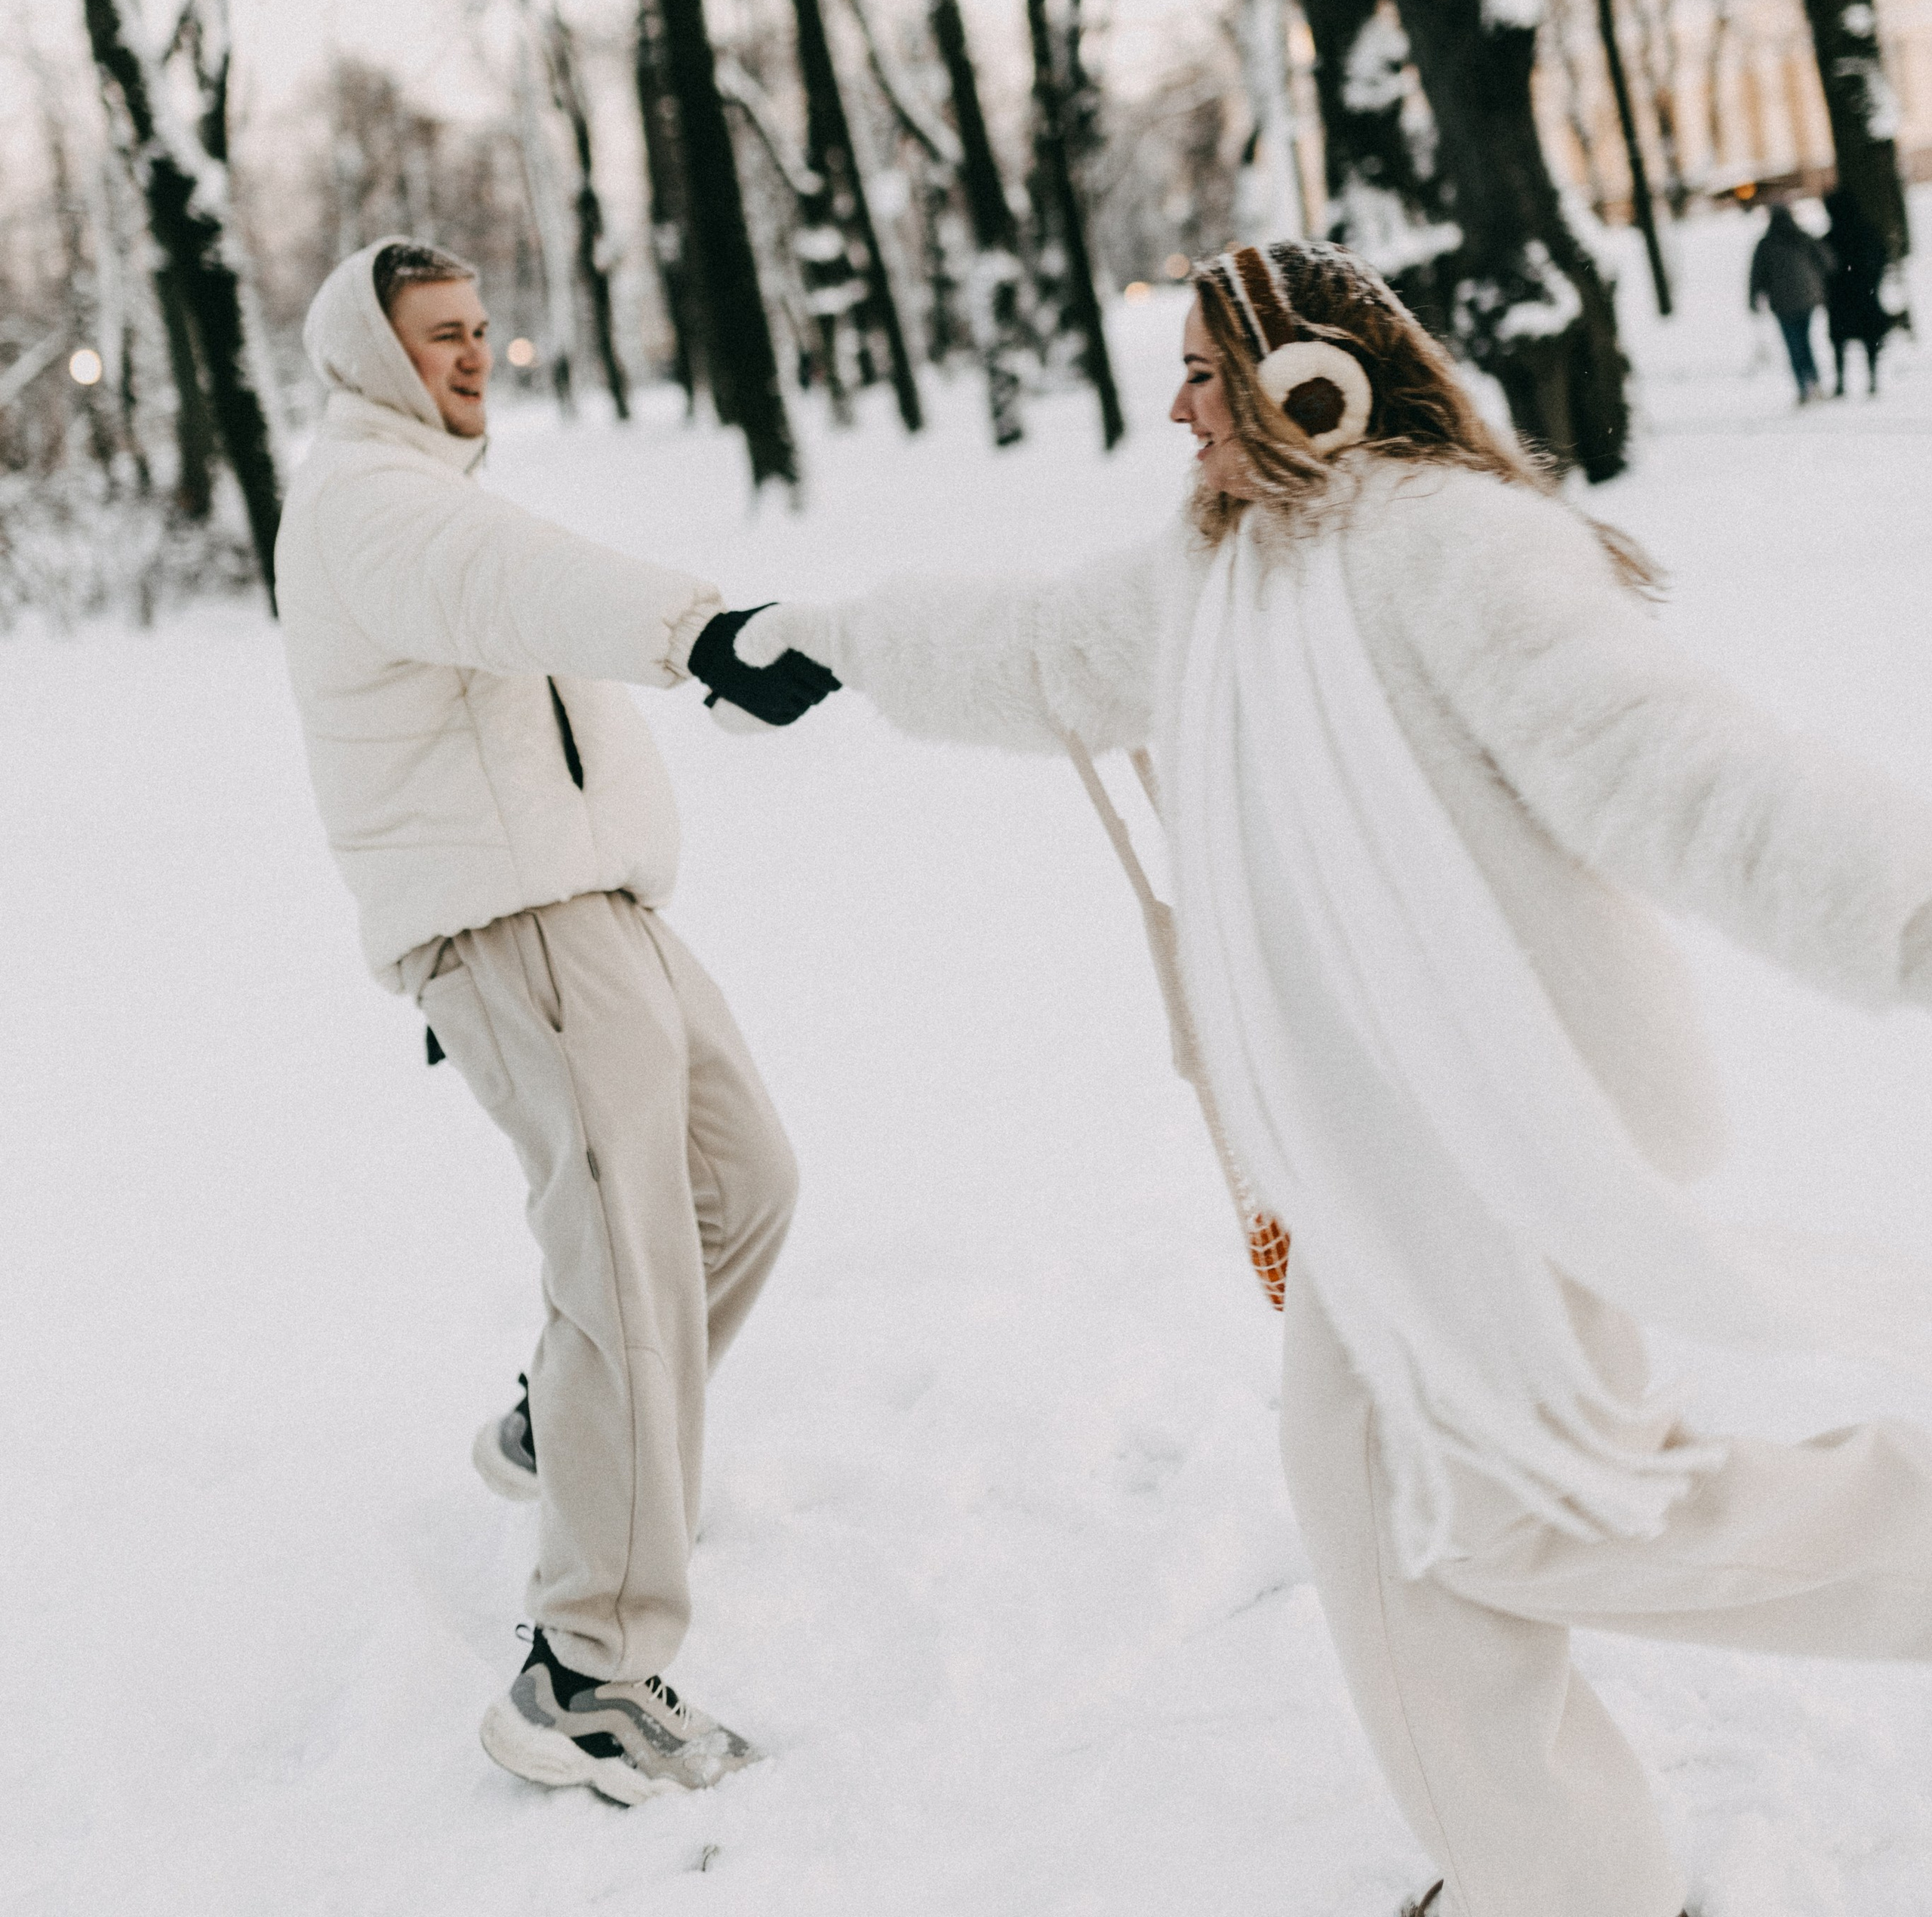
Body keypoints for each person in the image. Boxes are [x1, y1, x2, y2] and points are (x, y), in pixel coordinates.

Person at [716, 240, 1932, 1917]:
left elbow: (1670, 764)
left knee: (1530, 1522)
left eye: (1208, 377)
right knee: (1378, 1522)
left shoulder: (1446, 549)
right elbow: (1034, 653)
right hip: (1366, 1157)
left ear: (1317, 383)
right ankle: (1556, 1880)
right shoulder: (1221, 575)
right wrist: (821, 640)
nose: (1179, 408)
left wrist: (1905, 900)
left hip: (1498, 1135)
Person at [275, 238, 835, 1807]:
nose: (469, 356)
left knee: (744, 1189)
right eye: (436, 337)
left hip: (596, 909)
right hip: (520, 929)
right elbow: (523, 593)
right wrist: (706, 629)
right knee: (629, 1266)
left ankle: (563, 1431)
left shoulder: (424, 493)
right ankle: (584, 1670)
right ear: (371, 359)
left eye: (476, 330)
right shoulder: (370, 503)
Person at [1747, 198, 1832, 402]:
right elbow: (1827, 261)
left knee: (1794, 345)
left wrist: (1753, 298)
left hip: (1783, 303)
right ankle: (1816, 383)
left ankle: (1804, 387)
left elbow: (1756, 275)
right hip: (1807, 298)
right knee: (1806, 342)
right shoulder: (1801, 237)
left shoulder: (1766, 244)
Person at [1822, 184, 1897, 396]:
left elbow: (1824, 267)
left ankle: (1841, 383)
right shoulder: (1867, 231)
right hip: (1865, 293)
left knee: (1840, 341)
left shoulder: (1831, 237)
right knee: (1868, 338)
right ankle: (1871, 379)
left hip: (1841, 297)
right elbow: (1881, 256)